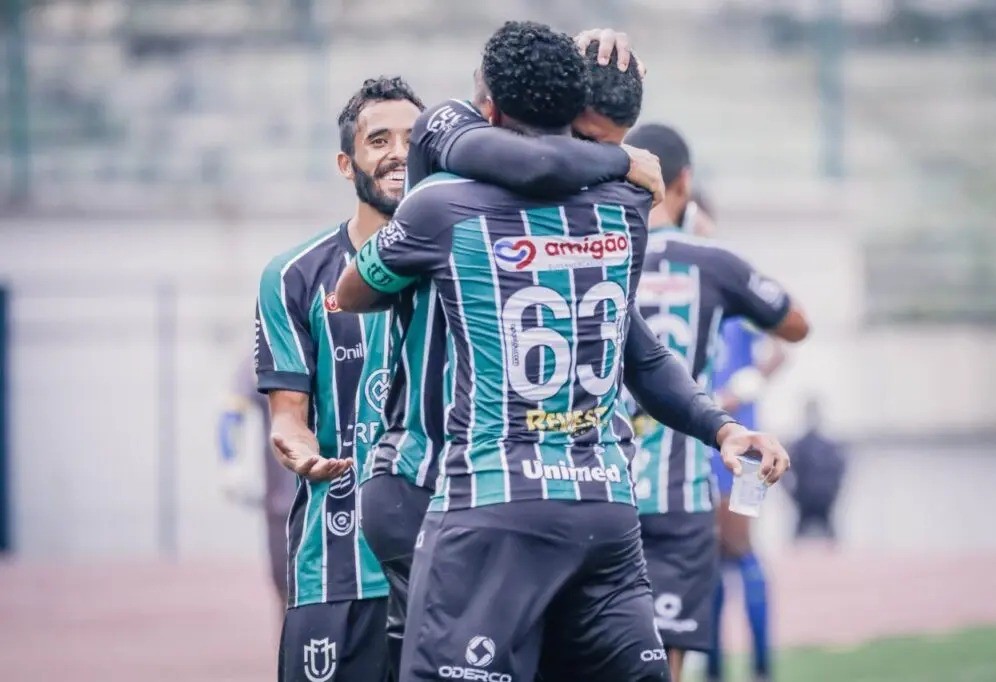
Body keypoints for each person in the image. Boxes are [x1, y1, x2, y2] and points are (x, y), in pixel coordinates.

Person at [336, 22, 791, 682]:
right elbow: (643, 353)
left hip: (484, 501)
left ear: (489, 106)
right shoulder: (620, 208)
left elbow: (353, 292)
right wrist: (720, 426)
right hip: (602, 509)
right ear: (577, 110)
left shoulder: (442, 202)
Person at [625, 122, 811, 682]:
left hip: (622, 480)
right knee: (734, 560)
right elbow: (793, 327)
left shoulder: (600, 253)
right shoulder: (713, 267)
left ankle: (747, 664)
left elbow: (774, 353)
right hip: (702, 469)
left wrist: (746, 382)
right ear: (684, 185)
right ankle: (746, 666)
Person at [254, 76, 425, 682]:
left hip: (448, 562)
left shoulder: (468, 258)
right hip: (336, 561)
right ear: (345, 161)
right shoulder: (293, 275)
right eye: (379, 139)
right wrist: (299, 451)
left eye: (413, 137)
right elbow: (287, 414)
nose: (399, 152)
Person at [707, 318, 787, 682]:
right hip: (702, 444)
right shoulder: (688, 307)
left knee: (736, 547)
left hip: (740, 449)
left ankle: (758, 666)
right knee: (713, 558)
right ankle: (721, 667)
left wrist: (739, 391)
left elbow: (779, 349)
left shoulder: (734, 312)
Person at [216, 358, 293, 613]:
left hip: (339, 494)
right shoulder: (262, 352)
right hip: (284, 501)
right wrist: (231, 464)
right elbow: (231, 413)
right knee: (286, 590)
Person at [785, 397, 846, 543]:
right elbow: (785, 470)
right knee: (797, 540)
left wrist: (833, 491)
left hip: (825, 498)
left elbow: (840, 469)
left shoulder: (829, 446)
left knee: (832, 539)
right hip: (804, 499)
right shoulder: (799, 446)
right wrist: (793, 494)